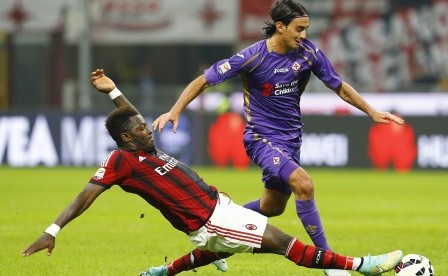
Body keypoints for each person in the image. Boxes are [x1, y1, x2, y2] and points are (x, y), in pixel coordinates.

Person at [22, 69, 403, 276]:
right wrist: (51, 232)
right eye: (140, 127)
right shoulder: (122, 162)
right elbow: (84, 196)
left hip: (218, 208)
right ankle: (362, 266)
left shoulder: (143, 147)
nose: (147, 127)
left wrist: (113, 91)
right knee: (283, 242)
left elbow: (129, 117)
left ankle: (160, 272)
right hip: (211, 219)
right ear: (126, 138)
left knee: (219, 249)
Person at [152, 1, 404, 275]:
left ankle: (215, 242)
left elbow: (339, 86)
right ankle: (331, 263)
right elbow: (203, 80)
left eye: (306, 29)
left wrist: (371, 111)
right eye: (299, 29)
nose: (303, 35)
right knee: (303, 184)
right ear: (280, 27)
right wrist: (175, 110)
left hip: (291, 139)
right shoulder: (252, 57)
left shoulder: (308, 53)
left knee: (271, 207)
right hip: (261, 138)